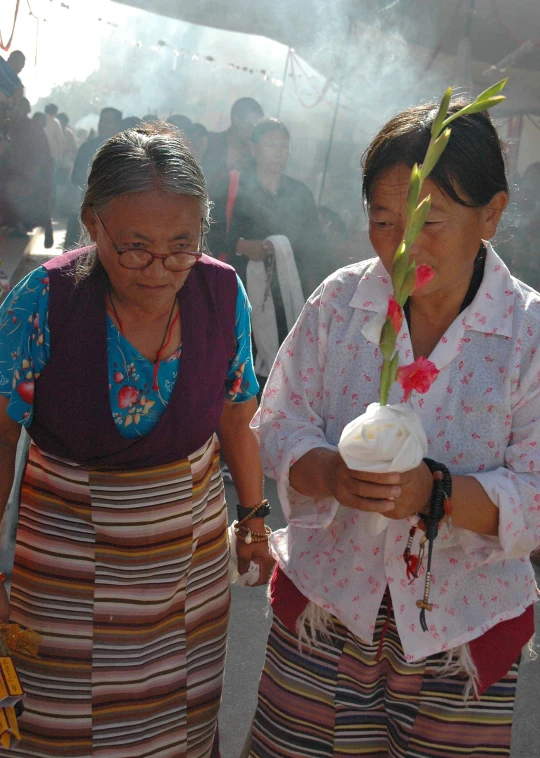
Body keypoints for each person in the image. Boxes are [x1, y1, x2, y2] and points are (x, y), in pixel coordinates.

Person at [246, 100, 540, 757]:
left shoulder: (528, 335)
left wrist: (434, 494)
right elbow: (281, 420)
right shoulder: (339, 302)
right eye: (385, 220)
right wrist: (328, 473)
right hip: (326, 613)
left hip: (460, 634)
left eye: (431, 220)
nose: (405, 244)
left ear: (491, 213)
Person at [0, 123, 273, 757]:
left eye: (181, 246)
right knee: (59, 726)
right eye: (135, 249)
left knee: (177, 718)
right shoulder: (42, 302)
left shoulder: (220, 291)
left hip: (188, 561)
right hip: (65, 564)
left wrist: (255, 518)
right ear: (93, 224)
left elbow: (238, 412)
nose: (160, 269)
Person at [209, 117, 329, 377]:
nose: (279, 153)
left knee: (286, 363)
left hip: (287, 293)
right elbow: (210, 231)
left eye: (284, 147)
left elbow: (315, 246)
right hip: (241, 291)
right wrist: (241, 245)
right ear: (253, 149)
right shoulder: (231, 186)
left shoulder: (299, 193)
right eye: (271, 145)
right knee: (242, 357)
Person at [65, 107, 123, 248]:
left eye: (107, 121)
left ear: (117, 125)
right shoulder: (88, 147)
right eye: (101, 121)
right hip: (90, 209)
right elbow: (76, 178)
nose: (102, 125)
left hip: (119, 213)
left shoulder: (125, 150)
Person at [0, 98, 54, 246]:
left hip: (29, 173)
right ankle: (18, 225)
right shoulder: (14, 126)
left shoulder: (29, 127)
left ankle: (23, 225)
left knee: (24, 200)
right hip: (19, 172)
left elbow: (33, 154)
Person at [203, 97, 263, 195]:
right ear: (235, 121)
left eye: (257, 128)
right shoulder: (209, 142)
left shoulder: (256, 157)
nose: (254, 132)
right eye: (250, 125)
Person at [43, 103, 64, 168]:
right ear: (55, 112)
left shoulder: (39, 120)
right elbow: (60, 140)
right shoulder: (55, 122)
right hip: (52, 155)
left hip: (39, 154)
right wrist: (60, 157)